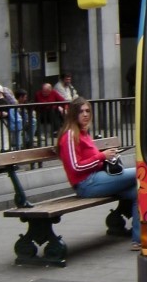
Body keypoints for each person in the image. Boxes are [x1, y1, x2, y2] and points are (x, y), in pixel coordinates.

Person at [57, 97, 140, 250]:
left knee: (138, 191)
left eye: (87, 111)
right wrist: (102, 156)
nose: (85, 114)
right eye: (81, 111)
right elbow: (75, 167)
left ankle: (138, 240)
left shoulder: (83, 133)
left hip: (97, 179)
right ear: (73, 114)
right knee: (141, 172)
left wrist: (108, 157)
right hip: (86, 183)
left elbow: (93, 160)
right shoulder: (69, 136)